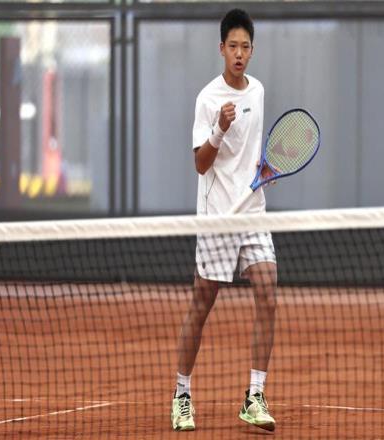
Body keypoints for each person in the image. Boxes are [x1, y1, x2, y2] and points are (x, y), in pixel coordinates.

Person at [170, 8, 277, 433]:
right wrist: (218, 129)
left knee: (268, 290)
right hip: (217, 216)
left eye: (245, 46)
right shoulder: (207, 99)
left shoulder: (259, 91)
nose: (239, 53)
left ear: (252, 51)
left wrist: (263, 168)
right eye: (232, 46)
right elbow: (201, 164)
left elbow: (250, 152)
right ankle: (182, 395)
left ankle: (255, 395)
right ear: (221, 49)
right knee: (202, 303)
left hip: (252, 210)